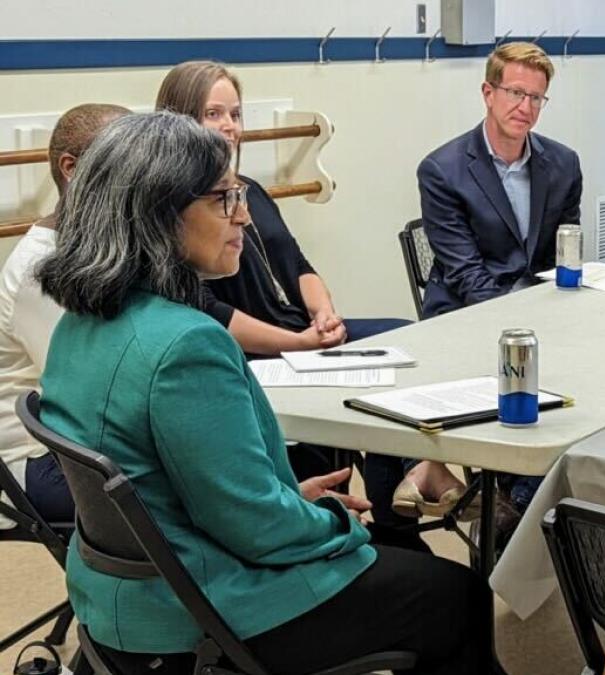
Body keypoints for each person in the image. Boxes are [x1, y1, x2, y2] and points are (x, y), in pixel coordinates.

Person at [35, 111, 487, 675]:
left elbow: (175, 486)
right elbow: (257, 530)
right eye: (224, 199)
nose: (243, 215)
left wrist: (289, 497)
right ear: (160, 214)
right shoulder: (185, 344)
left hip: (121, 605)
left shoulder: (78, 326)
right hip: (203, 611)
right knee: (454, 591)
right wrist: (331, 521)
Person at [156, 61, 431, 539]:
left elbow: (298, 265)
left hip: (297, 333)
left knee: (403, 336)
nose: (228, 127)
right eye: (212, 114)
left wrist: (324, 314)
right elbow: (210, 313)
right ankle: (401, 509)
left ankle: (412, 479)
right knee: (367, 386)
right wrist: (300, 343)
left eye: (235, 114)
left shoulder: (253, 192)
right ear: (180, 121)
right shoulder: (179, 211)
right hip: (255, 352)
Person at [411, 41, 582, 518]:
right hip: (467, 313)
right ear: (488, 92)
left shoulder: (563, 164)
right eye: (514, 93)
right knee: (524, 377)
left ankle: (535, 491)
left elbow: (564, 253)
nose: (524, 108)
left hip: (539, 311)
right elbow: (465, 273)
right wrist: (523, 326)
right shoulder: (443, 170)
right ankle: (518, 498)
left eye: (536, 98)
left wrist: (567, 309)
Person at [0, 103, 130, 530]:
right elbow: (87, 392)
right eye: (120, 161)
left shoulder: (95, 249)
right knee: (177, 500)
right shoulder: (41, 269)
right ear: (71, 168)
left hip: (81, 441)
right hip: (39, 458)